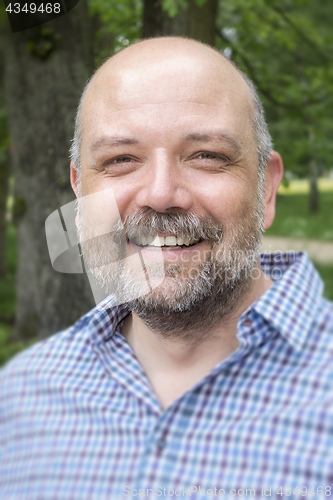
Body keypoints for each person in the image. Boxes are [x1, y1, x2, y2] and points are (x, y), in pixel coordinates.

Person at [1, 36, 333, 500]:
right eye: (120, 160)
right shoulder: (19, 397)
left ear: (267, 190)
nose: (160, 194)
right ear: (80, 195)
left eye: (207, 156)